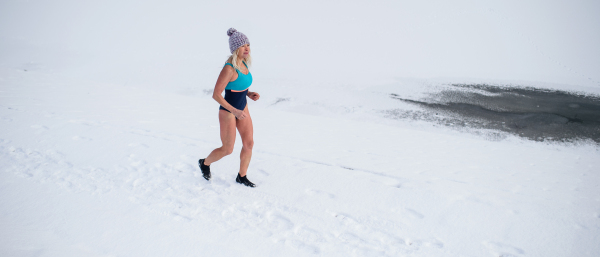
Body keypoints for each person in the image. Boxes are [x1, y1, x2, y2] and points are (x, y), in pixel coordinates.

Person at [199, 28, 259, 187]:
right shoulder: (229, 68)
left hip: (242, 108)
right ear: (235, 49)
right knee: (227, 149)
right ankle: (204, 163)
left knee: (249, 144)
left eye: (248, 45)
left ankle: (242, 176)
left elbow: (238, 86)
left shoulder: (244, 63)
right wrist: (235, 111)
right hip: (228, 112)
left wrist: (249, 93)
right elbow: (216, 94)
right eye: (242, 45)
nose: (246, 48)